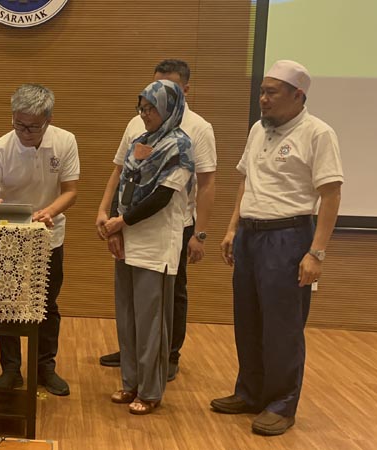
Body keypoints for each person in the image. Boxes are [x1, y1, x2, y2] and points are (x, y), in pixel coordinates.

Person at [211, 60, 343, 436]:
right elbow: (246, 181)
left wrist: (316, 253)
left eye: (271, 92)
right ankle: (250, 392)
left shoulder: (318, 133)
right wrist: (232, 228)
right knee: (248, 318)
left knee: (282, 326)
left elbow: (331, 195)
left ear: (298, 95)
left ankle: (282, 404)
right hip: (250, 235)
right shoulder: (258, 129)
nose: (263, 99)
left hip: (289, 236)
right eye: (262, 91)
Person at [97, 59, 216, 381]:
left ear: (183, 91)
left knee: (167, 296)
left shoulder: (194, 131)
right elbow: (121, 172)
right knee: (132, 298)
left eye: (165, 91)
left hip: (172, 223)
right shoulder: (138, 125)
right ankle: (134, 356)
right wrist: (107, 213)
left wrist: (200, 234)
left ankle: (167, 355)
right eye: (147, 99)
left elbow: (205, 184)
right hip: (129, 224)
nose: (147, 109)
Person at [0, 84, 80, 396]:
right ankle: (11, 369)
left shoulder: (65, 141)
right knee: (6, 305)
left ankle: (44, 367)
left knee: (47, 305)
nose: (24, 132)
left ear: (48, 120)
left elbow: (71, 191)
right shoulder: (0, 148)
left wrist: (48, 212)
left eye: (33, 127)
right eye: (19, 124)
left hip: (49, 236)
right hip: (8, 239)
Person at [102, 79, 194, 414]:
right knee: (127, 317)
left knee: (151, 321)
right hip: (128, 240)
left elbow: (162, 197)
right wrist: (115, 228)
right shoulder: (138, 142)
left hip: (157, 244)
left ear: (170, 109)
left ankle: (151, 391)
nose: (145, 114)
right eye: (142, 108)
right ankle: (130, 383)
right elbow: (123, 184)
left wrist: (121, 222)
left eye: (152, 108)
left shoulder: (179, 146)